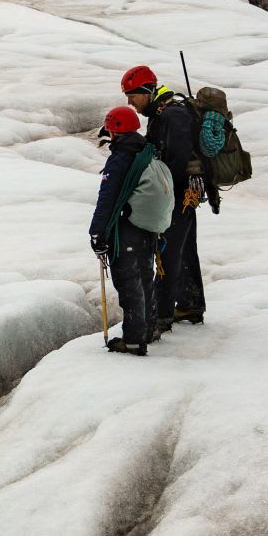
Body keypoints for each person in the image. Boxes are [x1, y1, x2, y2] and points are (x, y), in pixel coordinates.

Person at [122, 65, 211, 329]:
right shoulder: (162, 113)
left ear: (148, 91)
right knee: (183, 248)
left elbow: (177, 159)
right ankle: (190, 304)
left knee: (168, 252)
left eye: (133, 96)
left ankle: (162, 315)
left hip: (179, 193)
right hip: (183, 192)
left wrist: (162, 191)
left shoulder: (171, 115)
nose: (131, 103)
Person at [89, 105, 158, 355]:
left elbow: (107, 199)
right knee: (144, 277)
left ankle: (133, 339)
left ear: (115, 131)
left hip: (127, 228)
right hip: (149, 228)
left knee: (129, 284)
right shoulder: (146, 151)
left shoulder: (121, 158)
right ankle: (148, 329)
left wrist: (97, 233)